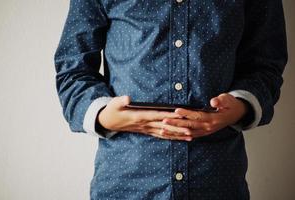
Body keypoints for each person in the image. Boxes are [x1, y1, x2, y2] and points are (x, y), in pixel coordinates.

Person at [53, 0, 288, 199]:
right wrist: (105, 117)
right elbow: (73, 70)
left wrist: (239, 108)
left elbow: (265, 65)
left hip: (217, 181)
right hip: (125, 184)